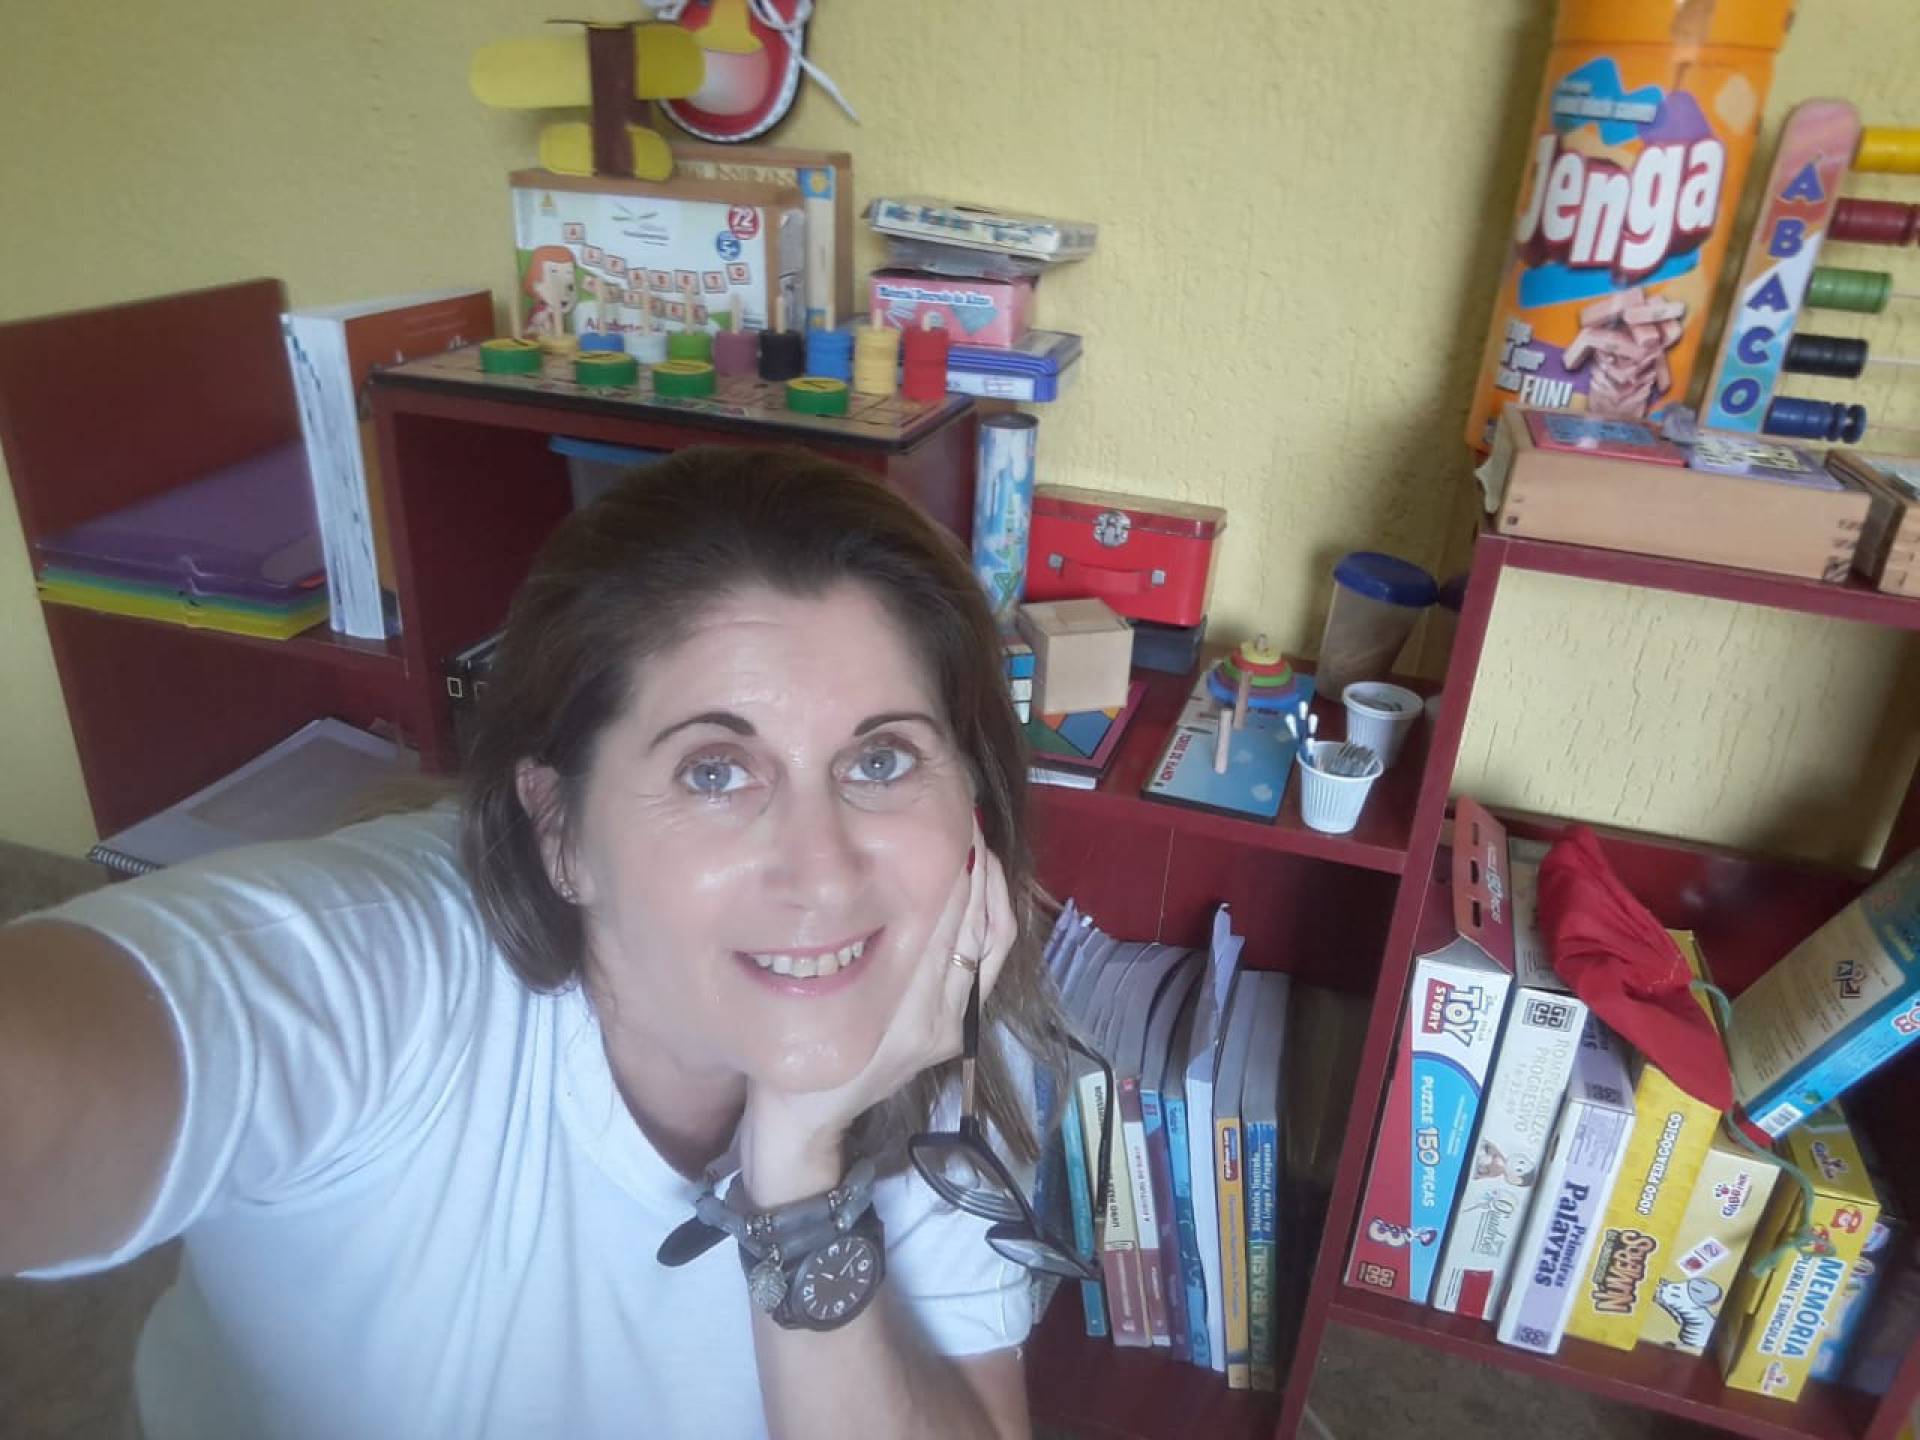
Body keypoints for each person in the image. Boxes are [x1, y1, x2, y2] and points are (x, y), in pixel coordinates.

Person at [1, 446, 1069, 1439]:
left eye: (881, 761)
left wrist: (799, 1187)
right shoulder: (383, 971)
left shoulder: (940, 1008)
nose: (824, 874)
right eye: (713, 771)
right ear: (561, 831)